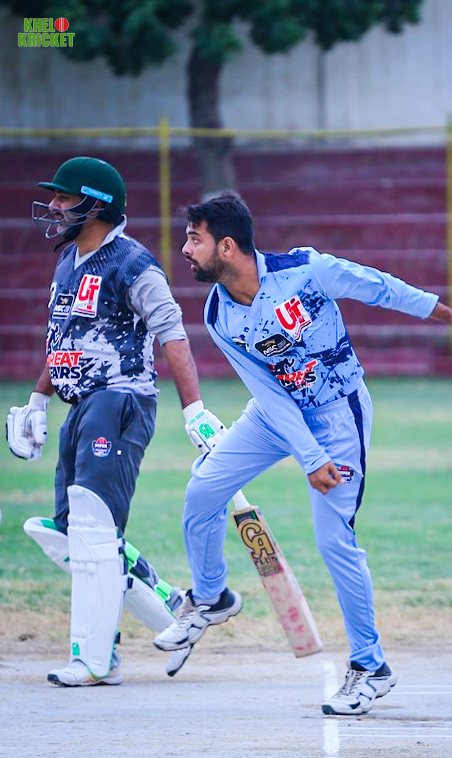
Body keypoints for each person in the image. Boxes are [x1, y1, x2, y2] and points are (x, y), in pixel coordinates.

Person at [153, 192, 452, 715]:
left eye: (193, 239)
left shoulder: (305, 271)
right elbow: (268, 393)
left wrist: (449, 314)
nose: (185, 249)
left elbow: (378, 287)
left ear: (226, 247)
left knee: (334, 540)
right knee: (204, 488)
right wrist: (307, 455)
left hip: (339, 415)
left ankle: (371, 667)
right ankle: (211, 597)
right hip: (274, 416)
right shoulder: (218, 313)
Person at [6, 156, 226, 687]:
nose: (54, 206)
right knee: (68, 533)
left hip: (121, 401)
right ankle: (169, 603)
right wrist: (37, 400)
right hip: (81, 405)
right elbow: (64, 341)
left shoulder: (133, 264)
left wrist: (194, 410)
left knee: (92, 528)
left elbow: (172, 333)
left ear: (97, 205)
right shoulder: (68, 262)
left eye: (64, 197)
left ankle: (95, 659)